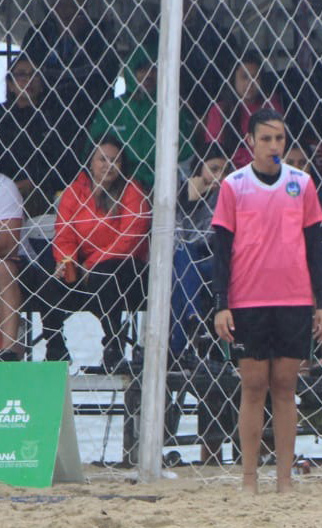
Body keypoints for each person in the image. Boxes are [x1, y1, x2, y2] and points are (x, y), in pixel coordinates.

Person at [210, 108, 322, 494]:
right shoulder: (233, 185)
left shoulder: (302, 183)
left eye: (279, 138)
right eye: (266, 138)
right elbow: (221, 251)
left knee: (285, 386)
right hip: (247, 301)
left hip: (293, 299)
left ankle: (284, 480)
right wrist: (221, 304)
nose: (274, 145)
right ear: (250, 142)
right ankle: (249, 479)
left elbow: (315, 248)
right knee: (252, 387)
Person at [44, 137, 151, 371]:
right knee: (50, 279)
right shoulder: (75, 192)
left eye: (115, 161)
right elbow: (64, 234)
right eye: (102, 159)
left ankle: (113, 347)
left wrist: (91, 265)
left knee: (105, 274)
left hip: (125, 269)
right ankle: (55, 347)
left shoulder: (132, 190)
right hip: (83, 268)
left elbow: (130, 239)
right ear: (90, 163)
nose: (108, 165)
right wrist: (67, 262)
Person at [89, 40, 196, 190]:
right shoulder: (111, 110)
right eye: (141, 69)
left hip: (162, 188)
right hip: (116, 188)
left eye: (154, 69)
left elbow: (186, 155)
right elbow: (91, 153)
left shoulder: (170, 109)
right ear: (130, 71)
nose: (149, 75)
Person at [0, 55, 80, 215]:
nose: (28, 80)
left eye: (34, 75)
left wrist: (34, 182)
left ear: (42, 84)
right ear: (10, 84)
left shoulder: (56, 118)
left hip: (43, 195)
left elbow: (65, 163)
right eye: (21, 75)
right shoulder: (2, 117)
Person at [171, 146, 230, 362]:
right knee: (183, 260)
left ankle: (176, 347)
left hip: (216, 261)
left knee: (181, 271)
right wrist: (191, 201)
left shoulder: (228, 196)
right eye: (213, 169)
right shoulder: (181, 191)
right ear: (199, 169)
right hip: (186, 261)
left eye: (224, 171)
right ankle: (194, 319)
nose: (219, 177)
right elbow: (177, 238)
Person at [202, 51, 285, 168]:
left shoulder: (271, 106)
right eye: (244, 77)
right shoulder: (219, 110)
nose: (250, 83)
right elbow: (214, 151)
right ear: (233, 79)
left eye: (255, 77)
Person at [0, 172, 22, 360]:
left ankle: (8, 351)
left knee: (3, 268)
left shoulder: (4, 187)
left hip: (13, 264)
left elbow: (8, 244)